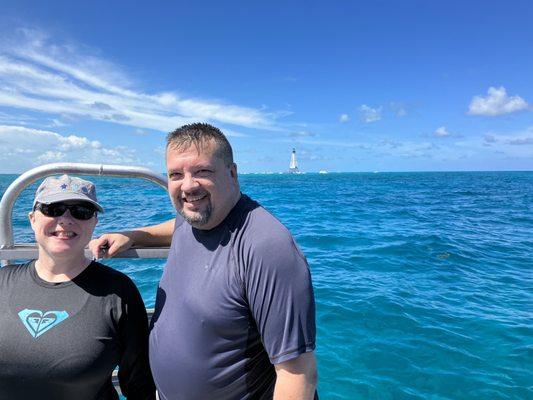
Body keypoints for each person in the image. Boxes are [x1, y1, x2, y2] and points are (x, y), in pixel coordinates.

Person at [90, 123, 318, 400]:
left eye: (202, 171)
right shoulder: (196, 218)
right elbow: (176, 227)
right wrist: (133, 236)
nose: (188, 185)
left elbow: (297, 374)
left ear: (232, 174)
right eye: (176, 174)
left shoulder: (267, 247)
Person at [0, 174, 156, 400]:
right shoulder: (3, 283)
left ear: (94, 223)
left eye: (81, 211)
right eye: (53, 208)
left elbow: (139, 383)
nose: (65, 219)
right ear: (32, 218)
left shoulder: (117, 292)